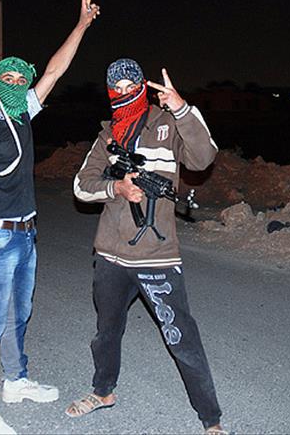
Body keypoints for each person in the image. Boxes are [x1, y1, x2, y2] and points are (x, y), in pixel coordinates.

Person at [0, 0, 100, 435]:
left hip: (26, 234)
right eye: (9, 78)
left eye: (22, 79)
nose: (17, 84)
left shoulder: (22, 116)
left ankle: (15, 382)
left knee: (19, 314)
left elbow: (55, 70)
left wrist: (82, 24)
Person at [68, 58, 227, 434]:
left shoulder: (168, 123)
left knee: (181, 336)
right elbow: (81, 185)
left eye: (131, 86)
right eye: (117, 89)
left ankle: (211, 420)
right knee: (106, 332)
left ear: (143, 86)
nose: (125, 93)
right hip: (111, 254)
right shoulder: (108, 135)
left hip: (157, 256)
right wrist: (116, 188)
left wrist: (182, 108)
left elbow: (204, 158)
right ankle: (103, 392)